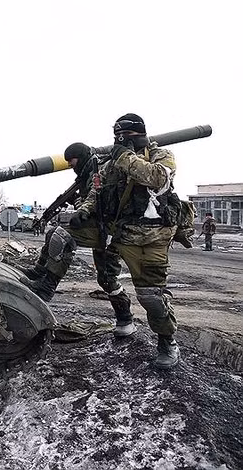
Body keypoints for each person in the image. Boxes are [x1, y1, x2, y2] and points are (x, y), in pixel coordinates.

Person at [76, 113, 181, 369]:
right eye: (118, 136)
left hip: (148, 236)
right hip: (115, 231)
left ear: (141, 133)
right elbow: (97, 190)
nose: (121, 140)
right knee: (105, 277)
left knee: (151, 296)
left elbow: (158, 178)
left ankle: (167, 341)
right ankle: (124, 317)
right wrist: (85, 209)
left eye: (127, 135)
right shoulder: (111, 163)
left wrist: (125, 156)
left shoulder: (161, 155)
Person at [20, 142, 125, 326]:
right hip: (99, 225)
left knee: (107, 278)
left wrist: (82, 210)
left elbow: (96, 197)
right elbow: (90, 199)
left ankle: (47, 287)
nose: (69, 164)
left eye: (71, 160)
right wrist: (78, 204)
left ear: (81, 157)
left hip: (109, 229)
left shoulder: (97, 170)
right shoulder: (85, 174)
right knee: (54, 233)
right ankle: (40, 273)